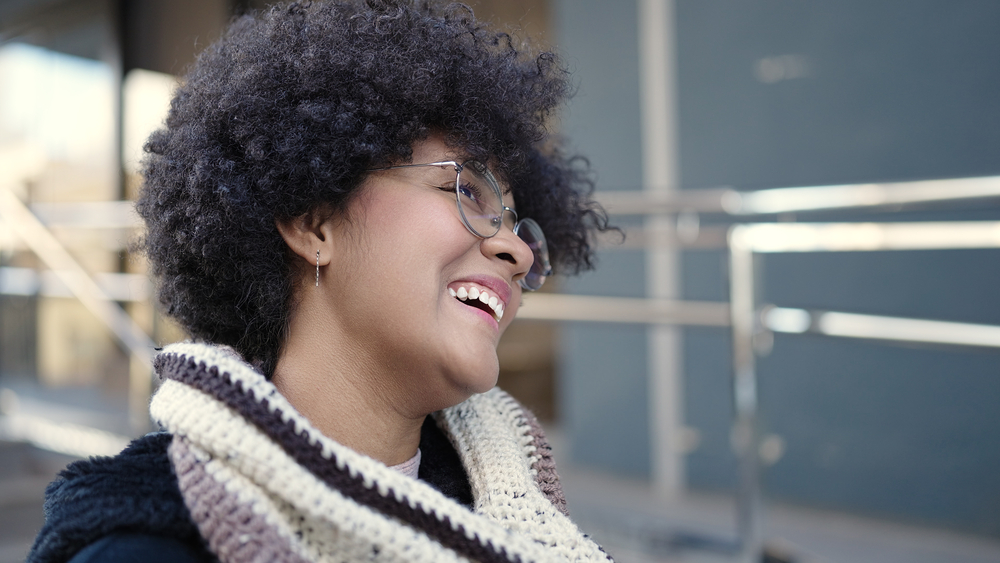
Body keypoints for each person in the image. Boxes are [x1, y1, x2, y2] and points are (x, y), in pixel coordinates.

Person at [28, 1, 613, 561]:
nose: (512, 248)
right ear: (313, 223)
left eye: (515, 221)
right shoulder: (145, 542)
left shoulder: (523, 510)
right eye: (465, 191)